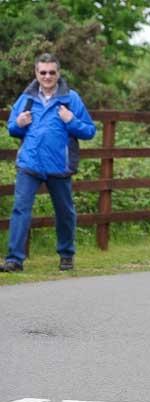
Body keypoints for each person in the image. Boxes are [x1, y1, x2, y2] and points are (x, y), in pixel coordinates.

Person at [2, 53, 96, 272]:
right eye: (42, 72)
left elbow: (89, 131)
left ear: (58, 73)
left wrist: (71, 120)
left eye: (51, 72)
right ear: (36, 73)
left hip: (59, 166)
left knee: (65, 212)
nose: (47, 76)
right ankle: (14, 260)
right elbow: (12, 129)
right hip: (30, 164)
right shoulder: (26, 98)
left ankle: (66, 255)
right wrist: (18, 123)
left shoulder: (71, 98)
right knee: (20, 210)